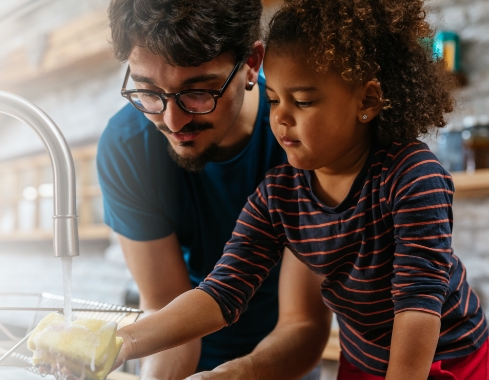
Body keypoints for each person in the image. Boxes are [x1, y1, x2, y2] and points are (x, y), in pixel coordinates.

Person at [108, 0, 489, 379]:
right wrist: (118, 343)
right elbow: (220, 292)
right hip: (363, 356)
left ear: (368, 101)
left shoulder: (412, 176)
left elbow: (417, 305)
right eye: (273, 99)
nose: (279, 118)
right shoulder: (279, 194)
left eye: (303, 101)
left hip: (446, 353)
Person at [97, 0, 332, 378]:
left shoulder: (301, 143)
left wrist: (227, 376)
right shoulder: (126, 147)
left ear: (252, 63)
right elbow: (163, 302)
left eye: (199, 93)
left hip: (283, 358)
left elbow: (302, 322)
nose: (172, 121)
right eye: (149, 91)